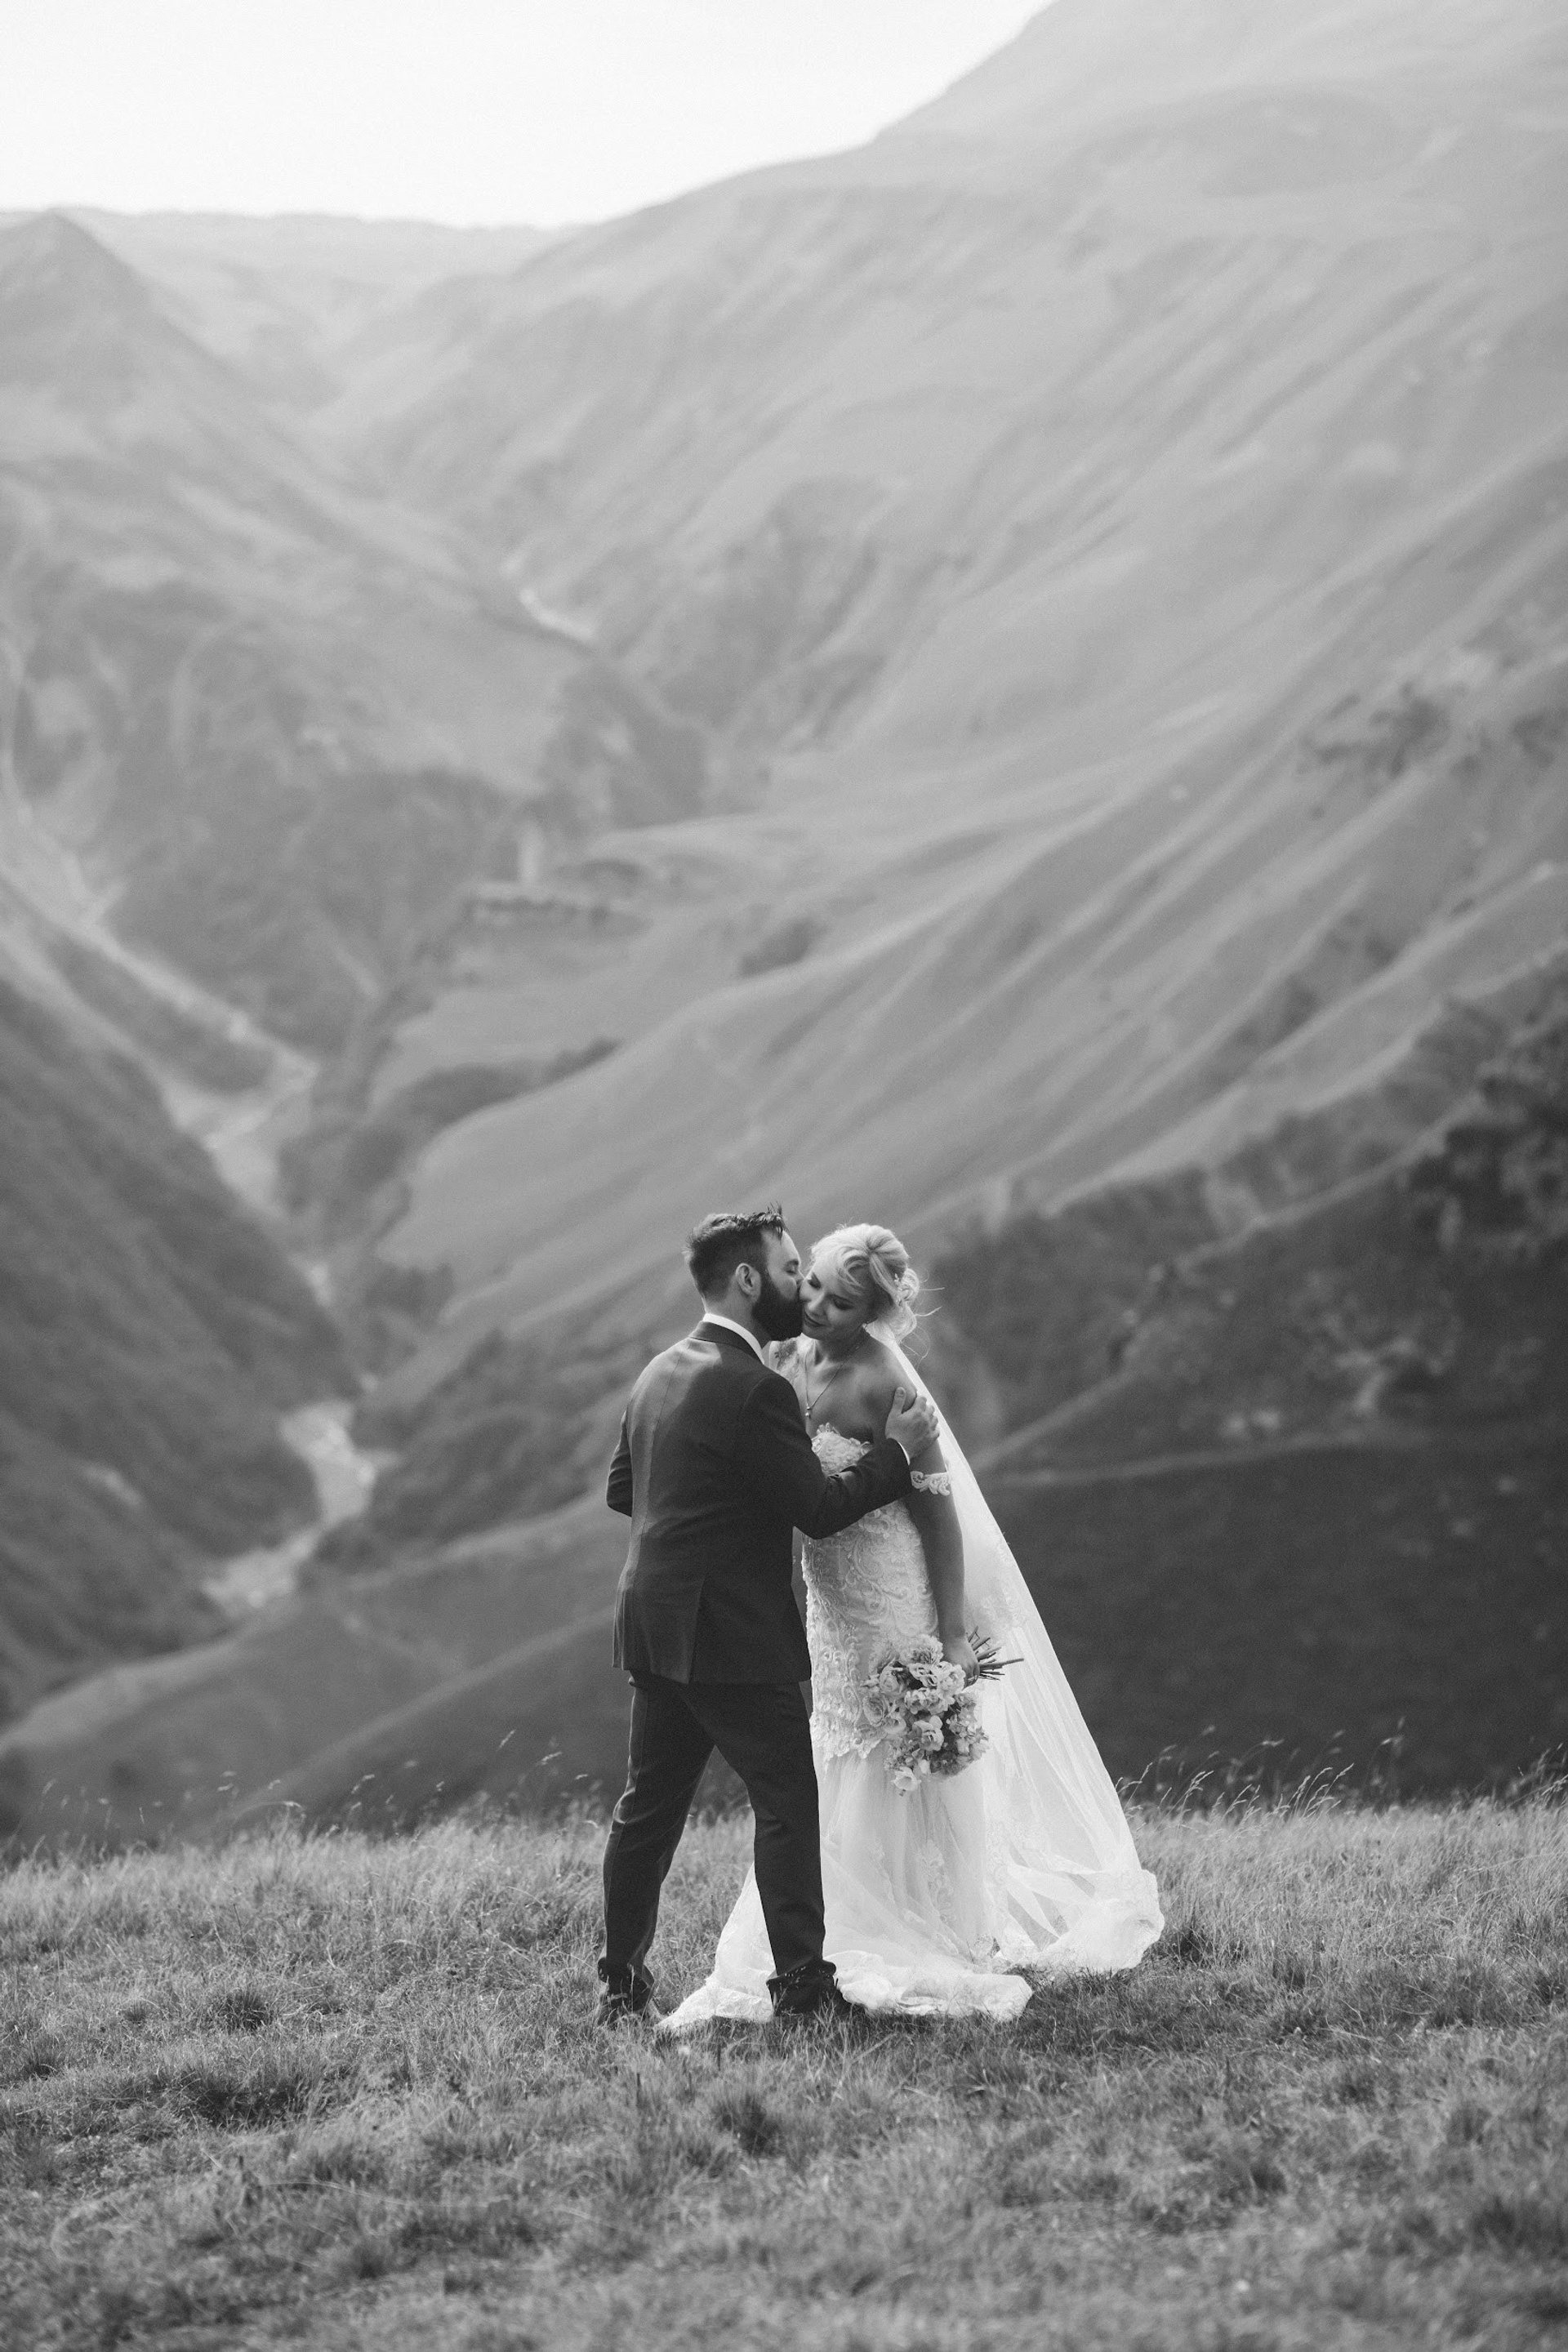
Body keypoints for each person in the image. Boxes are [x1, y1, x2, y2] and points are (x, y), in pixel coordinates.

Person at [660, 1221, 1162, 2028]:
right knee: (831, 1745)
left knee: (887, 1752)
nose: (814, 1303)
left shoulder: (887, 1388)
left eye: (836, 1298)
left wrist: (954, 1637)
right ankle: (825, 1924)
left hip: (889, 1594)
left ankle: (907, 1923)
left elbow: (940, 1519)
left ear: (874, 1314)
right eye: (812, 1282)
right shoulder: (798, 1358)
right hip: (831, 1606)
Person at [597, 1205, 942, 2025]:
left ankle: (620, 1988)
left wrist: (704, 1508)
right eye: (791, 1272)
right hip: (733, 1634)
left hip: (653, 1620)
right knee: (787, 1803)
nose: (799, 1287)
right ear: (749, 1280)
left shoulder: (661, 1369)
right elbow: (818, 1509)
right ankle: (805, 1994)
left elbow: (625, 1489)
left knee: (648, 1807)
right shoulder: (753, 1387)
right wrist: (896, 1453)